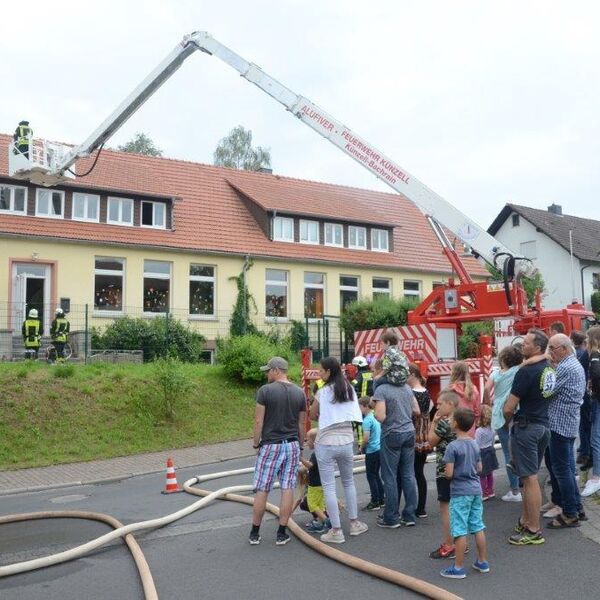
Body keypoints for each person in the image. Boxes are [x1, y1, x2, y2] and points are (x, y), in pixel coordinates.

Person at [503, 329, 556, 546]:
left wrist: (509, 421)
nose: (521, 346)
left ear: (536, 347)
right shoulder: (548, 367)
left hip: (527, 427)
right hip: (543, 426)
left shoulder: (526, 372)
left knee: (530, 478)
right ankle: (526, 520)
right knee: (527, 478)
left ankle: (533, 530)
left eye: (526, 343)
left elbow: (509, 406)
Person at [309, 356, 368, 543]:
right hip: (346, 441)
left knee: (328, 487)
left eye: (320, 370)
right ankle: (354, 523)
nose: (319, 373)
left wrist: (320, 414)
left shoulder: (323, 391)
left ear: (328, 372)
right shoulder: (349, 388)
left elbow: (312, 413)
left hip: (326, 442)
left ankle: (336, 530)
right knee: (349, 482)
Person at [250, 357, 306, 546]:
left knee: (262, 488)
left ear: (276, 370)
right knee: (287, 487)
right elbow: (301, 423)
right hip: (291, 445)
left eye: (268, 371)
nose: (266, 374)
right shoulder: (299, 393)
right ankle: (281, 533)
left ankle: (255, 533)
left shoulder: (265, 391)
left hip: (270, 445)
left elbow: (259, 422)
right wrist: (301, 446)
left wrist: (256, 444)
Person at [440, 407, 489, 579]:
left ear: (455, 423)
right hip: (476, 490)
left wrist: (446, 470)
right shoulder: (474, 443)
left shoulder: (452, 447)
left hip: (460, 492)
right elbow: (480, 467)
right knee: (477, 525)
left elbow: (449, 473)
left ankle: (458, 567)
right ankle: (482, 561)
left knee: (460, 530)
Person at [543, 333, 586, 528]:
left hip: (559, 424)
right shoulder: (573, 364)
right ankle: (577, 507)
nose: (550, 352)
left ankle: (570, 513)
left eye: (553, 348)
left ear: (564, 348)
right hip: (567, 423)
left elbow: (546, 391)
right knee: (567, 468)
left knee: (562, 470)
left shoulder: (566, 367)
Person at [374, 361, 420, 528]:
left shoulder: (382, 390)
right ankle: (409, 515)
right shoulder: (407, 388)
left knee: (390, 476)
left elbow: (380, 416)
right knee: (408, 474)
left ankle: (391, 517)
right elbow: (417, 411)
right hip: (409, 432)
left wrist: (390, 418)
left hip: (391, 434)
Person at [484, 345, 523, 502]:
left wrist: (488, 404)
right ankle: (522, 481)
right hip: (515, 408)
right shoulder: (518, 371)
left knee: (508, 452)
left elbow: (487, 389)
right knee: (518, 449)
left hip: (499, 411)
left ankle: (514, 491)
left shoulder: (495, 373)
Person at [428, 389, 460, 558]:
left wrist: (433, 423)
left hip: (444, 469)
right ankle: (461, 543)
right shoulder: (460, 420)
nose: (437, 407)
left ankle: (449, 544)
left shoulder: (444, 423)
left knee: (446, 507)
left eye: (440, 404)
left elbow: (431, 441)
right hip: (459, 469)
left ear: (450, 404)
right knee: (457, 507)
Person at [408, 363, 433, 518]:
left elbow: (413, 413)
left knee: (409, 472)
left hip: (413, 432)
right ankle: (421, 507)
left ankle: (412, 505)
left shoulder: (411, 393)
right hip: (424, 434)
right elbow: (430, 407)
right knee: (419, 472)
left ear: (412, 374)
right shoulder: (426, 391)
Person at [299, 428, 330, 533]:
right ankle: (321, 523)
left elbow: (310, 466)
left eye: (307, 440)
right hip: (322, 483)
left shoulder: (315, 454)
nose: (307, 443)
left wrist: (301, 459)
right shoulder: (323, 452)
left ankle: (326, 521)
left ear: (315, 441)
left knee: (312, 504)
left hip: (315, 484)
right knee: (320, 505)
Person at [582, 326, 600, 497]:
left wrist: (593, 389)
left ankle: (596, 477)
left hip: (597, 400)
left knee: (595, 438)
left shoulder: (594, 355)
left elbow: (595, 374)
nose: (585, 343)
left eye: (587, 340)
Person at [359, 396, 384, 510]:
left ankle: (374, 501)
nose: (359, 410)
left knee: (371, 476)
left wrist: (361, 447)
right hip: (379, 448)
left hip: (372, 450)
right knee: (376, 475)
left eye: (359, 407)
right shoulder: (375, 416)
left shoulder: (367, 420)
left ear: (364, 406)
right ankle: (381, 499)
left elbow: (366, 438)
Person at [571, 330, 592, 469]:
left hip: (583, 395)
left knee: (584, 425)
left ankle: (585, 452)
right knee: (587, 424)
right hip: (586, 394)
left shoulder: (580, 355)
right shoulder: (584, 354)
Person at [449, 361, 480, 438]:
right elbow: (477, 411)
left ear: (453, 373)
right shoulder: (473, 389)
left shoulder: (450, 390)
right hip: (470, 428)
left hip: (455, 429)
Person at [476, 405, 499, 501]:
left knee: (482, 474)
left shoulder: (479, 431)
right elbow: (493, 441)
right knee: (490, 473)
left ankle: (484, 493)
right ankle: (490, 491)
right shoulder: (492, 429)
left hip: (482, 452)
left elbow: (477, 444)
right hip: (490, 450)